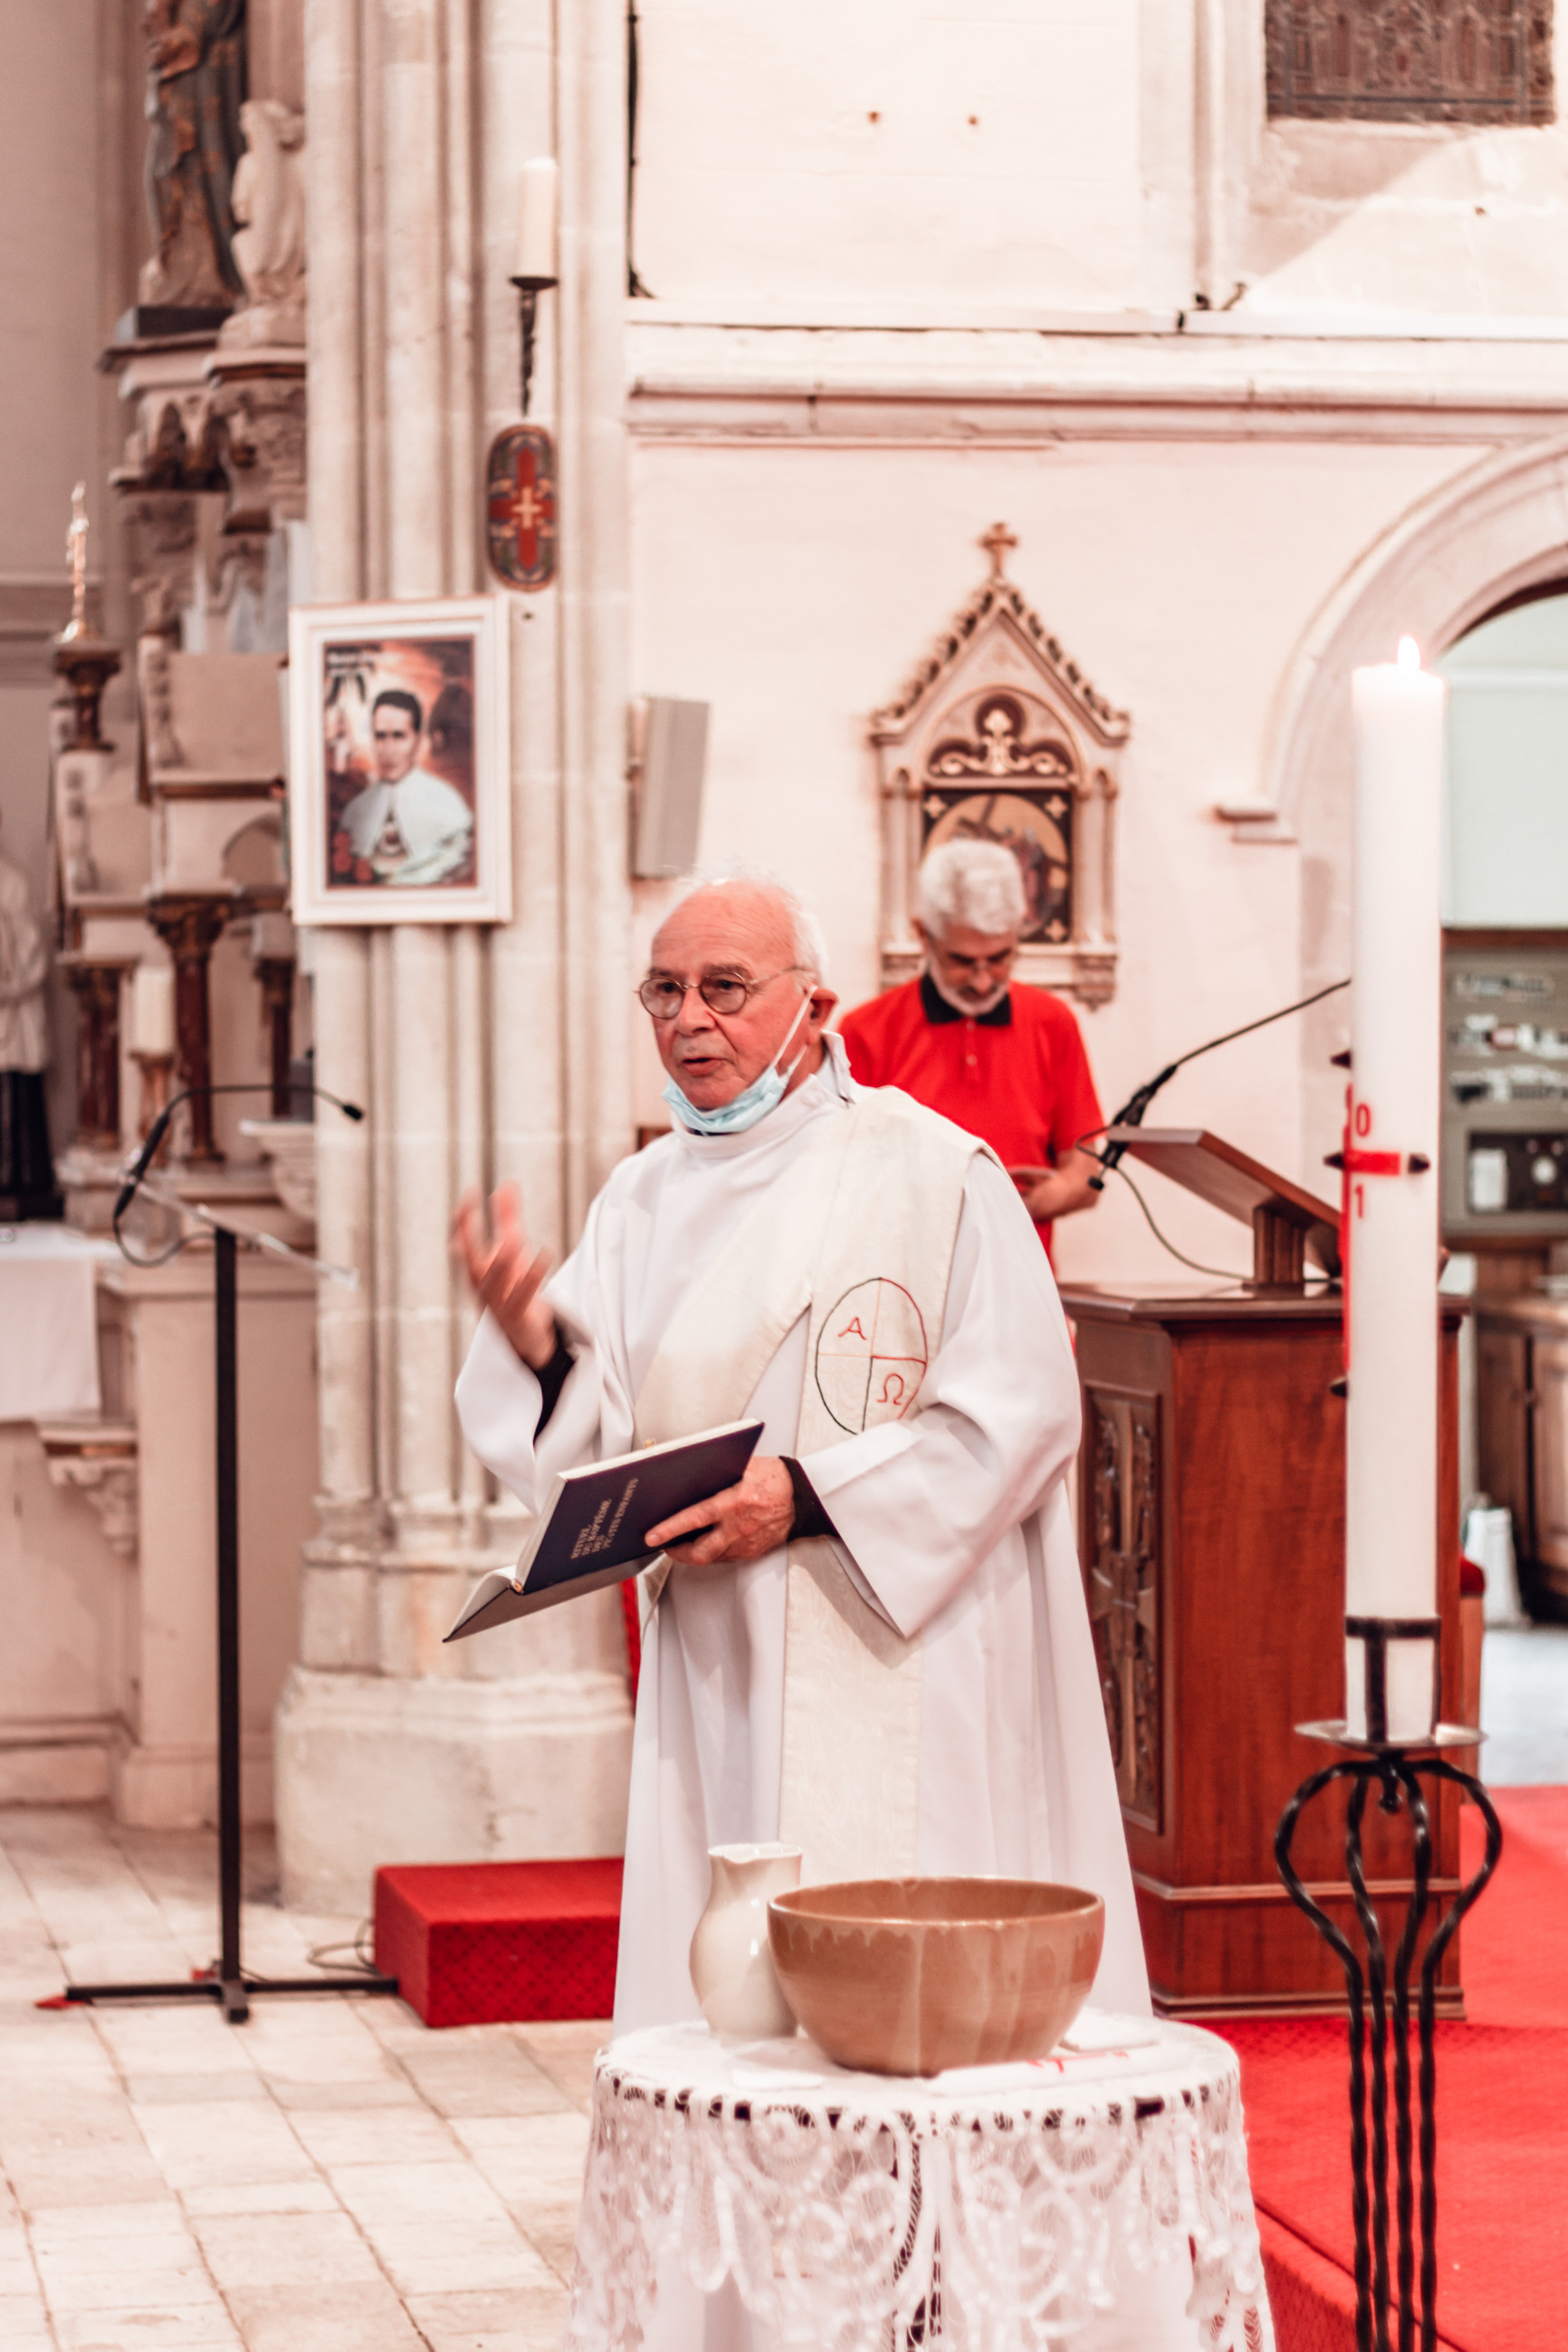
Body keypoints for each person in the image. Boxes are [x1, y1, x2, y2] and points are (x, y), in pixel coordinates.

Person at [838, 839, 1104, 1255]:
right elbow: (843, 1180)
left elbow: (1086, 1174)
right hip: (905, 1281)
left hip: (1021, 1281)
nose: (983, 981)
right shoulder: (865, 1031)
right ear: (924, 935)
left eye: (999, 958)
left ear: (1019, 927)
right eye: (962, 961)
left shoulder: (1054, 1022)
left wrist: (1028, 1202)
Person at [336, 690, 474, 886]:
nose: (388, 749)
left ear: (418, 739)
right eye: (380, 737)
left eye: (399, 736)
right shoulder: (356, 810)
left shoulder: (447, 801)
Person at [0, 815, 56, 1216]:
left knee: (16, 1092)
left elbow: (31, 950)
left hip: (12, 1009)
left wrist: (11, 985)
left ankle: (21, 1177)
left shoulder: (13, 883)